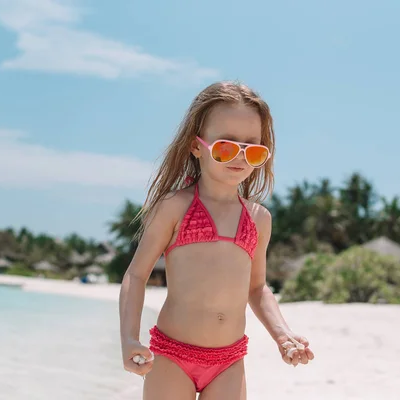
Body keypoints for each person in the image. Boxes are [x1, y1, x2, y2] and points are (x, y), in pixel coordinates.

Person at [119, 81, 314, 399]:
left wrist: (283, 334)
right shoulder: (175, 206)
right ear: (197, 146)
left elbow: (257, 288)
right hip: (172, 356)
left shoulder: (258, 219)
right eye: (226, 146)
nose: (239, 157)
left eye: (253, 149)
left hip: (229, 361)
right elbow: (137, 274)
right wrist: (129, 339)